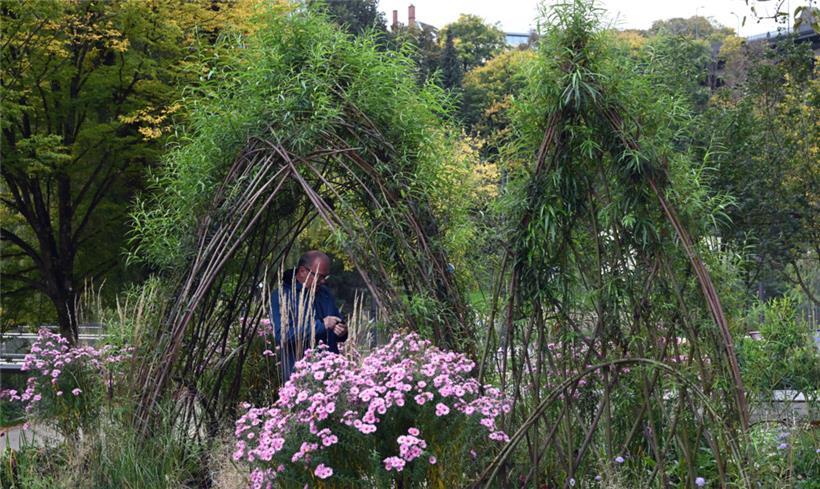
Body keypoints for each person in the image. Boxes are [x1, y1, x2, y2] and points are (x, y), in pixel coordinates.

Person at [270, 251, 348, 380]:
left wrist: (342, 330)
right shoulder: (282, 296)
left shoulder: (325, 293)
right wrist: (322, 325)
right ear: (302, 271)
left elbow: (336, 321)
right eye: (319, 276)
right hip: (300, 376)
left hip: (331, 374)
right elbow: (282, 335)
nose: (323, 281)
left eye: (325, 277)